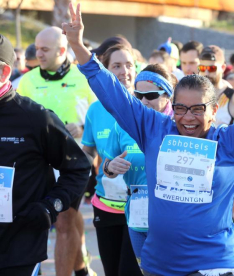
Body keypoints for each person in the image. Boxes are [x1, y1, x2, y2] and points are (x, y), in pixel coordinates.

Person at [62, 3, 234, 274]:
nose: (188, 118)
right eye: (181, 108)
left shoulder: (232, 141)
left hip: (215, 265)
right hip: (160, 265)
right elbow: (113, 94)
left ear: (214, 111)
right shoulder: (154, 129)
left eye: (198, 109)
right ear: (173, 107)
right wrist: (79, 47)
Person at [0, 34, 90, 276]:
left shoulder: (35, 118)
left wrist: (51, 206)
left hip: (18, 247)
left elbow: (79, 167)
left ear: (4, 72)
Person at [103, 63, 175, 267]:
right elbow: (106, 167)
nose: (143, 101)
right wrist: (110, 167)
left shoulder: (179, 127)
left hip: (172, 217)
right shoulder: (122, 125)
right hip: (137, 216)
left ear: (167, 95)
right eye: (138, 95)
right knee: (147, 270)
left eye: (151, 95)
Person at [81, 44, 141, 276]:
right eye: (116, 66)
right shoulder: (95, 110)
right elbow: (87, 153)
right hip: (105, 206)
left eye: (129, 65)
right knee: (111, 271)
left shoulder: (145, 106)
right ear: (105, 71)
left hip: (139, 208)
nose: (124, 71)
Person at [199, 45, 234, 126]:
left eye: (212, 68)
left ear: (223, 67)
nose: (206, 73)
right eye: (202, 68)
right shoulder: (193, 94)